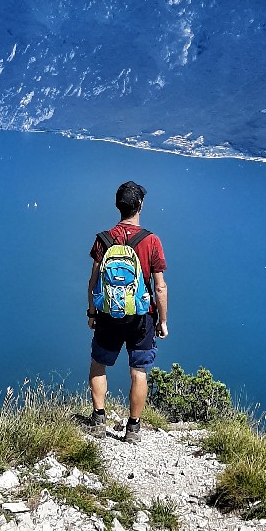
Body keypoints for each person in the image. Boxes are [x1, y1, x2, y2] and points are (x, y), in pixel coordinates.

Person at [83, 180, 168, 442]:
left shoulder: (103, 240)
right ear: (140, 205)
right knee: (138, 371)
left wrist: (92, 313)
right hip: (141, 317)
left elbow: (93, 280)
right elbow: (160, 287)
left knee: (99, 364)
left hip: (108, 315)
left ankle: (98, 420)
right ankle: (133, 428)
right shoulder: (151, 241)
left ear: (117, 206)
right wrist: (163, 320)